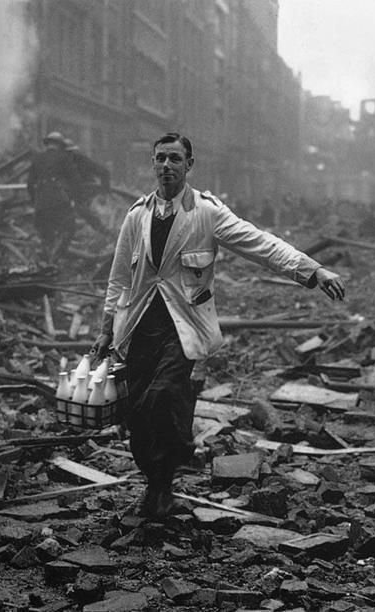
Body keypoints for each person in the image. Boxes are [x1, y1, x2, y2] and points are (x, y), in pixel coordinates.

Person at [92, 132, 345, 520]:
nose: (166, 167)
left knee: (164, 399)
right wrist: (106, 328)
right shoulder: (136, 216)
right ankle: (156, 485)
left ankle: (163, 485)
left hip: (183, 329)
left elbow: (260, 244)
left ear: (189, 165)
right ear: (152, 163)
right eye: (160, 159)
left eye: (175, 159)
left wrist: (312, 270)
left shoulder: (206, 213)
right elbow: (118, 279)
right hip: (139, 327)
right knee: (138, 416)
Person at [27, 131, 82, 261]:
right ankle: (56, 258)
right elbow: (76, 181)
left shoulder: (37, 158)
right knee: (69, 228)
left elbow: (30, 184)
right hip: (59, 202)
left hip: (41, 204)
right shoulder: (64, 157)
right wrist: (75, 199)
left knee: (45, 236)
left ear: (48, 144)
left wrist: (35, 201)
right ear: (59, 145)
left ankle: (46, 264)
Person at [63, 138, 112, 235]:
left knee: (81, 209)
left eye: (69, 153)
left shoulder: (82, 160)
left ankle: (102, 230)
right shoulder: (59, 164)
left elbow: (104, 172)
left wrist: (103, 193)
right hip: (69, 194)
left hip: (84, 193)